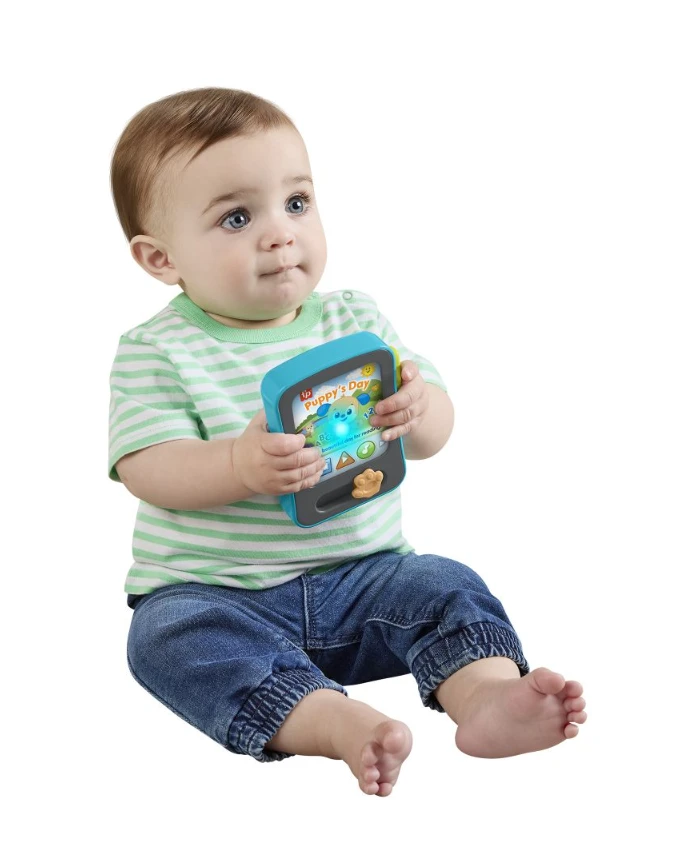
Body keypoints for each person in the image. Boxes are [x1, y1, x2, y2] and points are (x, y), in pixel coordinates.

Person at [108, 87, 587, 797]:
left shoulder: (355, 321)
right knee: (162, 637)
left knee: (444, 582)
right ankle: (329, 720)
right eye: (237, 217)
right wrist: (237, 464)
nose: (280, 233)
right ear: (159, 257)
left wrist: (416, 410)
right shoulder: (157, 350)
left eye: (296, 202)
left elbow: (434, 435)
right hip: (221, 594)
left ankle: (485, 697)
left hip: (367, 582)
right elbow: (147, 467)